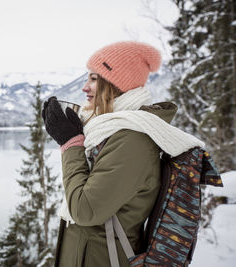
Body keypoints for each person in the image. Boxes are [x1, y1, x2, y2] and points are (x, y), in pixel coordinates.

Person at [42, 41, 204, 267]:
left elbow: (85, 210)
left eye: (94, 79)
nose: (85, 87)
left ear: (116, 84)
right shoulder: (107, 130)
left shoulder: (132, 140)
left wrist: (71, 143)